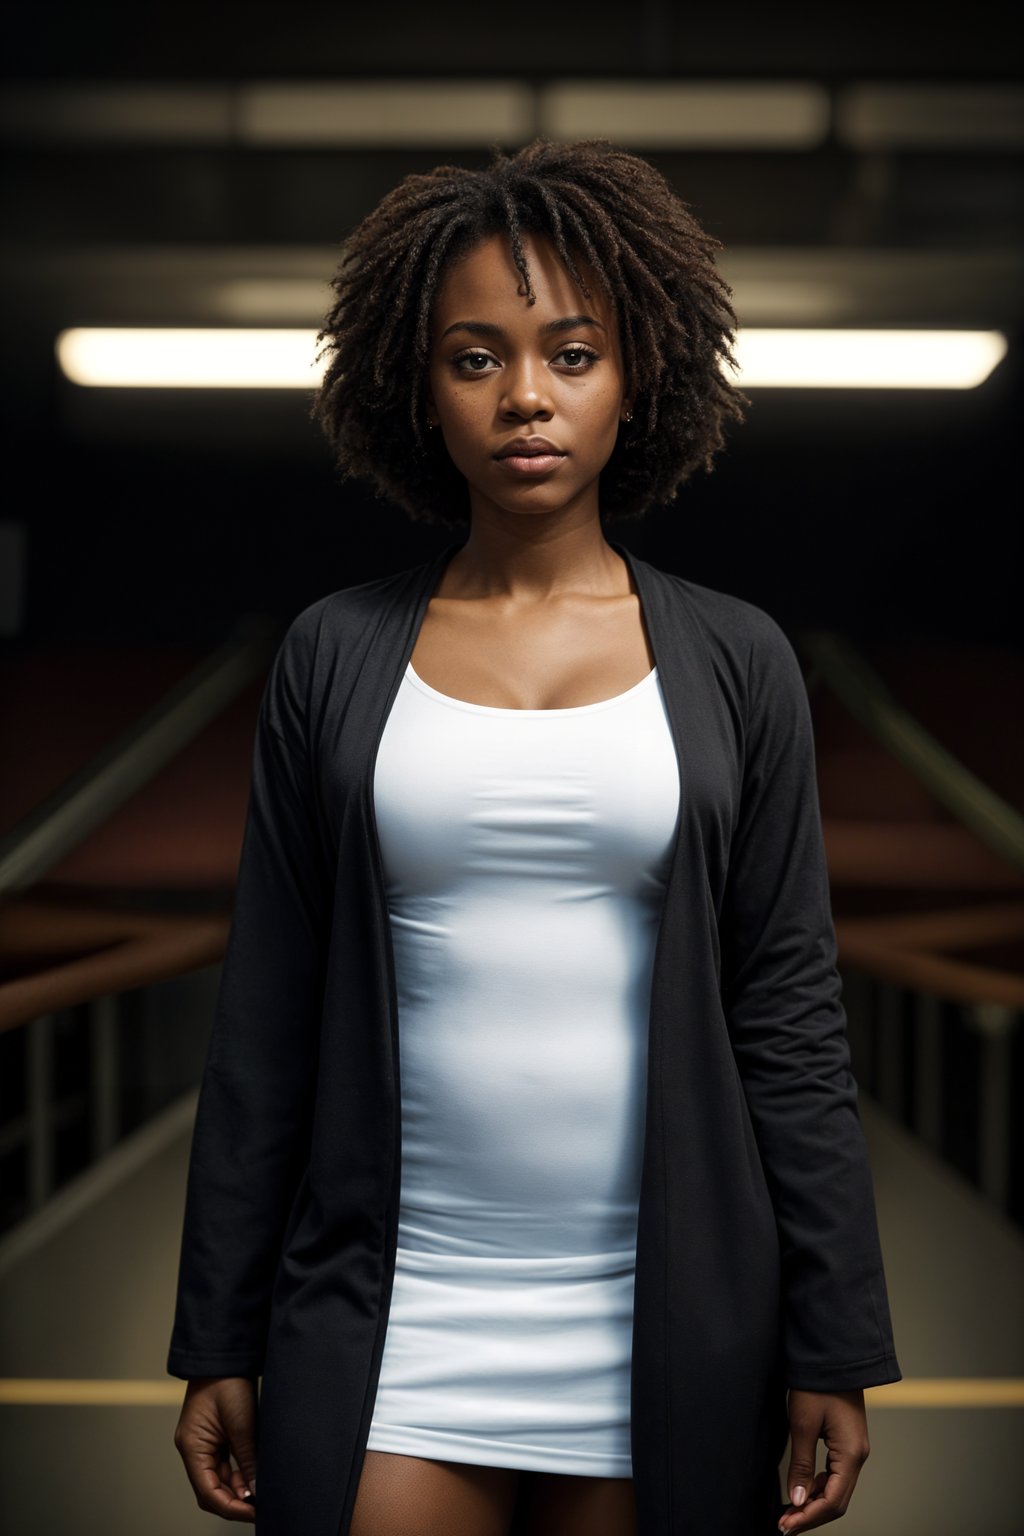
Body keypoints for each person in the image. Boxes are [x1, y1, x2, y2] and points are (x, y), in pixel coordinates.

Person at [169, 139, 900, 1536]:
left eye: (572, 353)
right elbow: (262, 1015)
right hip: (393, 1313)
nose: (526, 398)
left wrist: (837, 1340)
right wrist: (216, 1328)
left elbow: (790, 1013)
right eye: (475, 358)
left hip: (669, 1317)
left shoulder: (738, 661)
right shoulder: (334, 655)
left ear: (639, 379)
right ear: (418, 390)